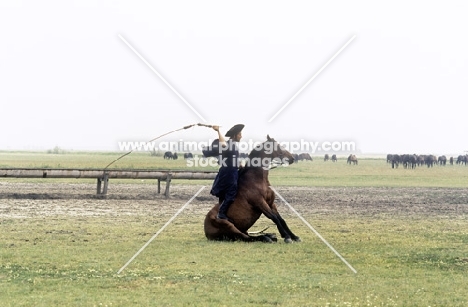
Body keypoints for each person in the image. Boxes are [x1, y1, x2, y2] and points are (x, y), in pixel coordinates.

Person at [209, 124, 244, 220]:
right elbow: (222, 144)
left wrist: (240, 165)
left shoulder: (233, 145)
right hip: (228, 173)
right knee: (231, 193)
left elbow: (233, 159)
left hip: (232, 172)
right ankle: (221, 213)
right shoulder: (229, 144)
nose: (241, 136)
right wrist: (218, 131)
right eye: (240, 134)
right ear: (235, 135)